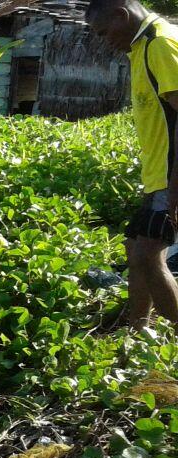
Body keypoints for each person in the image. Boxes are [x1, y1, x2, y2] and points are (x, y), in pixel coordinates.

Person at [87, 0, 178, 327]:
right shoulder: (143, 47)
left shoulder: (160, 44)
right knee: (134, 248)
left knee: (148, 257)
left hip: (170, 178)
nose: (104, 40)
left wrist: (174, 188)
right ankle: (138, 328)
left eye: (103, 31)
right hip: (158, 176)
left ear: (121, 15)